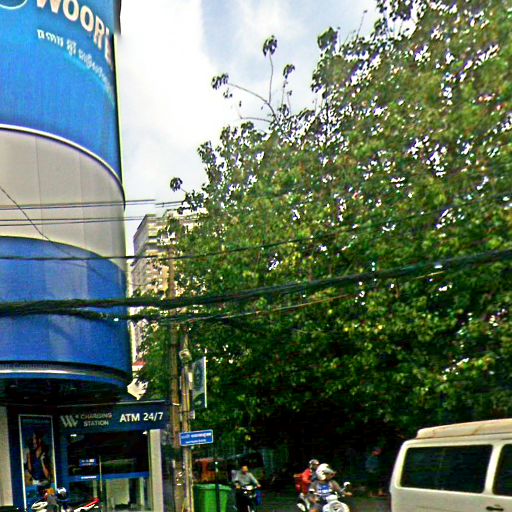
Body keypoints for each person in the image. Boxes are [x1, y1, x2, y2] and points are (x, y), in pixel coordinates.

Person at [27, 430, 52, 497]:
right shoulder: (32, 454)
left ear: (40, 439)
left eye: (35, 438)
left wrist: (42, 461)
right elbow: (30, 470)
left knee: (49, 499)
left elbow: (48, 475)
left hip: (46, 483)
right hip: (36, 483)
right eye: (33, 439)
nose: (33, 441)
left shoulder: (45, 451)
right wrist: (29, 459)